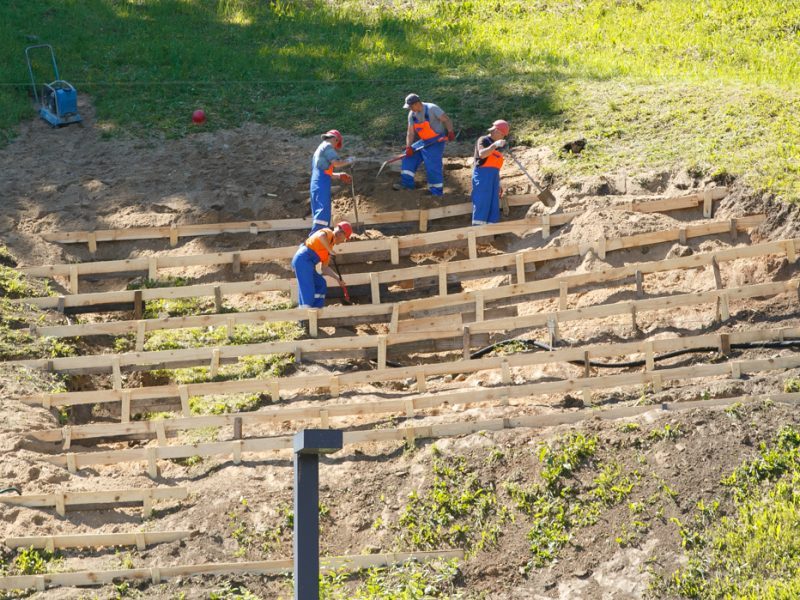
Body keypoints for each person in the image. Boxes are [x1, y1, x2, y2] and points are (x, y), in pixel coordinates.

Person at [393, 93, 455, 196]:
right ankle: (407, 185)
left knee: (432, 164)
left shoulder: (432, 108)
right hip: (425, 141)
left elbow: (446, 119)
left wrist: (450, 132)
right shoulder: (412, 115)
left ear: (417, 103)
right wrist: (409, 147)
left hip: (436, 141)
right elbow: (410, 133)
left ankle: (436, 192)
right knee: (407, 157)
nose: (410, 109)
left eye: (411, 106)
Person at [292, 221, 353, 309]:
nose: (344, 241)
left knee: (321, 284)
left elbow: (324, 268)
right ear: (341, 234)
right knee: (308, 288)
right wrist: (329, 250)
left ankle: (316, 310)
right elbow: (321, 236)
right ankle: (305, 317)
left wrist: (338, 279)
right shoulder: (328, 233)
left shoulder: (329, 246)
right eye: (345, 238)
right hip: (303, 260)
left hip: (308, 264)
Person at [310, 130, 354, 232]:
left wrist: (339, 175)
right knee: (323, 215)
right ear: (335, 139)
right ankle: (317, 239)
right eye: (337, 144)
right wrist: (350, 160)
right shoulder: (327, 146)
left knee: (319, 215)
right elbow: (336, 163)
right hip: (321, 185)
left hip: (317, 184)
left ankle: (318, 238)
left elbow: (325, 173)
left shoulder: (319, 149)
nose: (335, 147)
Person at [471, 120, 509, 226]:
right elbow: (482, 154)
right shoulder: (483, 140)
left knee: (494, 205)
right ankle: (479, 232)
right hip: (483, 176)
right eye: (502, 135)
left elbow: (495, 167)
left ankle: (492, 232)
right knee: (482, 202)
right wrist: (494, 145)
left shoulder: (497, 146)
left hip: (494, 178)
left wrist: (498, 183)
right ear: (496, 131)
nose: (502, 138)